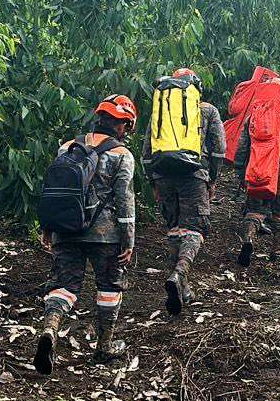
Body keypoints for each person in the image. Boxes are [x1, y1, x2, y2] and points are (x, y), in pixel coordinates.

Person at [34, 95, 139, 374]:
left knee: (63, 286)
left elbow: (54, 191)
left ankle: (50, 329)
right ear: (123, 125)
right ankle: (104, 347)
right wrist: (128, 239)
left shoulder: (67, 147)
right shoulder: (122, 155)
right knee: (109, 287)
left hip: (66, 229)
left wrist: (48, 228)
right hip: (105, 234)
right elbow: (125, 200)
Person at [144, 69, 225, 315]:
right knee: (195, 228)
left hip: (163, 174)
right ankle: (180, 273)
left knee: (175, 227)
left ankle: (184, 289)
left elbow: (147, 149)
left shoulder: (161, 107)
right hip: (194, 174)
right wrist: (212, 178)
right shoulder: (208, 110)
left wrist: (153, 181)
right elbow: (219, 148)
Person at [233, 63, 280, 266]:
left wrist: (240, 171)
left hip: (256, 167)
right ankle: (276, 251)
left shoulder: (253, 116)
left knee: (254, 209)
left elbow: (242, 146)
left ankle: (248, 240)